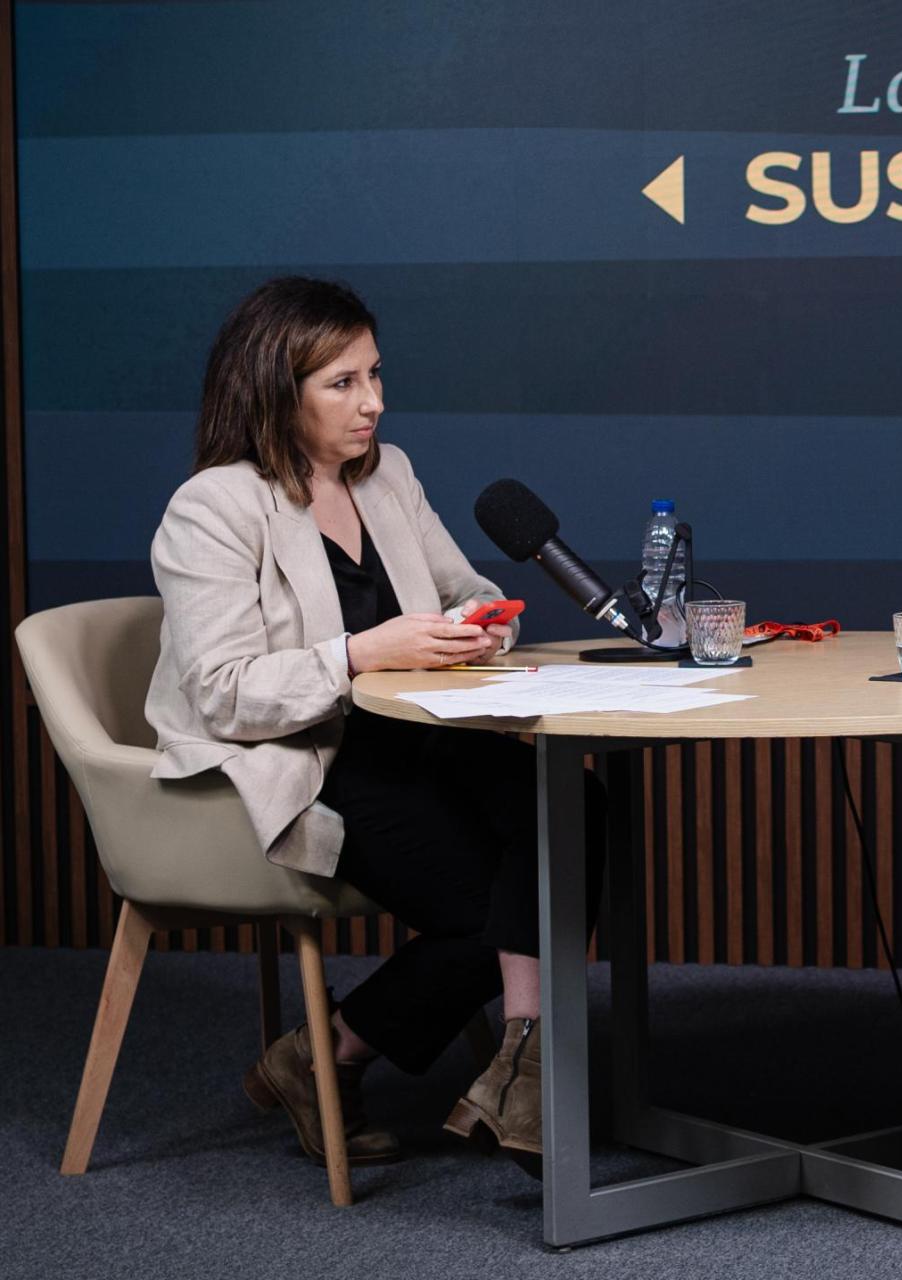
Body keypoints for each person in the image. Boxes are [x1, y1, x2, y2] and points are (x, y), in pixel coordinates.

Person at [145, 276, 602, 1176]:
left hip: (424, 736)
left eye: (376, 375)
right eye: (344, 383)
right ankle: (333, 1057)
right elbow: (223, 692)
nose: (375, 403)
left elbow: (469, 592)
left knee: (570, 804)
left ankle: (515, 1063)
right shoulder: (212, 509)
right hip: (307, 758)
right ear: (276, 389)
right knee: (484, 911)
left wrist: (481, 624)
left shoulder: (387, 475)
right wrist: (362, 653)